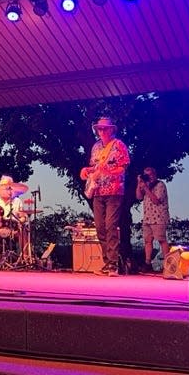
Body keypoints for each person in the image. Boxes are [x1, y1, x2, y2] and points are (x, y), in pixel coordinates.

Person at [80, 117, 130, 277]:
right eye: (99, 129)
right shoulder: (95, 147)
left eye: (104, 128)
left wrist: (108, 172)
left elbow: (122, 168)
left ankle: (114, 264)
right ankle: (107, 262)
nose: (101, 131)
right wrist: (86, 171)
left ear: (111, 129)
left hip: (114, 191)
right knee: (100, 227)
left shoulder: (118, 145)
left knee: (110, 226)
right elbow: (94, 167)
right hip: (98, 191)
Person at [136, 167, 170, 272]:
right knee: (147, 241)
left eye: (150, 175)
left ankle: (168, 264)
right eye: (146, 175)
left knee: (161, 240)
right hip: (147, 217)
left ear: (154, 175)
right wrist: (139, 184)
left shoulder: (160, 185)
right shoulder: (145, 185)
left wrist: (146, 188)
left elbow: (156, 200)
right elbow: (138, 197)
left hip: (159, 217)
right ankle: (147, 263)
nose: (148, 177)